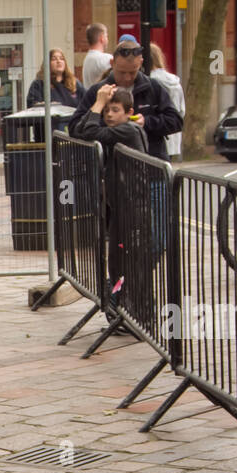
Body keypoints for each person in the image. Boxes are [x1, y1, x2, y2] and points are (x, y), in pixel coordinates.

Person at [72, 86, 150, 289]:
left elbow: (89, 132)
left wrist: (98, 103)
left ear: (129, 112)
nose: (108, 115)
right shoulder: (117, 130)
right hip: (121, 205)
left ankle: (136, 304)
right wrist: (97, 105)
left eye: (115, 110)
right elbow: (79, 131)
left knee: (130, 261)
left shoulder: (128, 130)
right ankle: (119, 301)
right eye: (106, 110)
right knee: (116, 261)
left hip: (134, 207)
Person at [71, 34, 183, 162]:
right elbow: (74, 128)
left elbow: (175, 121)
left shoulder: (153, 87)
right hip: (111, 165)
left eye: (133, 72)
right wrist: (110, 123)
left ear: (140, 63)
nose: (127, 77)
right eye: (122, 72)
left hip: (151, 162)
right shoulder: (98, 91)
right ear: (112, 63)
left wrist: (146, 122)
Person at [148, 43, 185, 159]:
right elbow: (181, 110)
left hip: (157, 136)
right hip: (173, 135)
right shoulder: (174, 81)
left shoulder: (149, 81)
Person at [82, 23, 111, 91]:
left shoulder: (87, 58)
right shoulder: (105, 58)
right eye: (106, 36)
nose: (107, 40)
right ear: (102, 38)